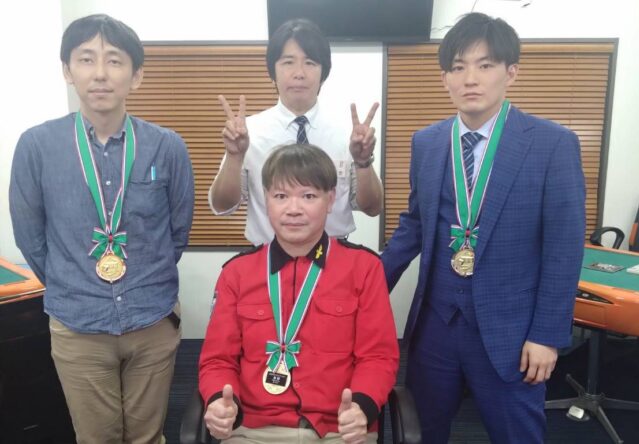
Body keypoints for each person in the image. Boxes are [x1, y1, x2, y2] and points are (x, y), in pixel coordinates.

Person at [381, 12, 585, 444]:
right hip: (435, 327)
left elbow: (564, 250)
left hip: (513, 333)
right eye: (458, 67)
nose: (470, 78)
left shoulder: (552, 144)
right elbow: (414, 225)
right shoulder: (427, 142)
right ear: (445, 78)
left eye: (485, 65)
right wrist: (363, 287)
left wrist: (547, 336)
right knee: (420, 433)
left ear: (511, 72)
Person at [9, 14, 194, 444]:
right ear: (67, 70)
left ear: (136, 75)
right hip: (78, 324)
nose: (100, 73)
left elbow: (177, 233)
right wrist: (73, 281)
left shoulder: (167, 147)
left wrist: (145, 275)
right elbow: (31, 238)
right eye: (86, 59)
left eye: (114, 60)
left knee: (149, 437)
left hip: (151, 319)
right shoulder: (36, 147)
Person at [199, 144, 398, 443]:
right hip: (254, 430)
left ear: (330, 200)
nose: (293, 209)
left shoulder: (364, 268)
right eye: (281, 196)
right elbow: (218, 361)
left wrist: (361, 407)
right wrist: (219, 403)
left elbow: (378, 357)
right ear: (265, 199)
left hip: (339, 429)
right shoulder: (236, 274)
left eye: (308, 196)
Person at [209, 18, 383, 246]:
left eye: (310, 63)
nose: (299, 73)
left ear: (323, 73)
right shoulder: (247, 133)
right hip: (268, 256)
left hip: (333, 257)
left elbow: (372, 208)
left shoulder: (347, 134)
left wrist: (363, 162)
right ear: (272, 71)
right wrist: (234, 157)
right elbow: (222, 206)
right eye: (288, 62)